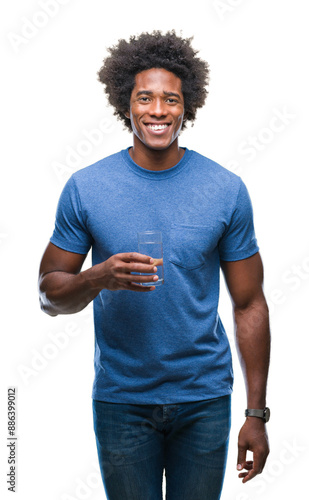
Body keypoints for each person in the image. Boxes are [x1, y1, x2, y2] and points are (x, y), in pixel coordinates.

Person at [38, 30, 270, 500]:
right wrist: (99, 277)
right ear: (126, 104)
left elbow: (249, 304)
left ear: (188, 107)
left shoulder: (225, 189)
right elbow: (48, 297)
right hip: (122, 401)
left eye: (171, 99)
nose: (158, 111)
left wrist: (256, 413)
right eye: (145, 98)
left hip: (204, 399)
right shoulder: (88, 187)